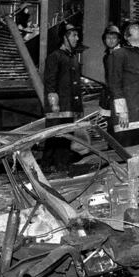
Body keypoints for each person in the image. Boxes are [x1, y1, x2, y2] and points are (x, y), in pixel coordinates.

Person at [43, 21, 84, 169]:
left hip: (69, 106)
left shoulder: (72, 57)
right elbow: (50, 83)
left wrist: (78, 108)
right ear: (64, 37)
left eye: (77, 35)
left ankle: (61, 165)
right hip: (58, 108)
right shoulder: (55, 56)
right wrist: (54, 105)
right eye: (74, 35)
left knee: (65, 139)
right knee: (55, 138)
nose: (77, 38)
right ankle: (50, 167)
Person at [99, 24, 123, 133]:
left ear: (118, 39)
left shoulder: (122, 54)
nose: (111, 41)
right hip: (109, 94)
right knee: (111, 125)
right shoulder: (107, 56)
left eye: (114, 38)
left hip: (120, 94)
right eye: (108, 38)